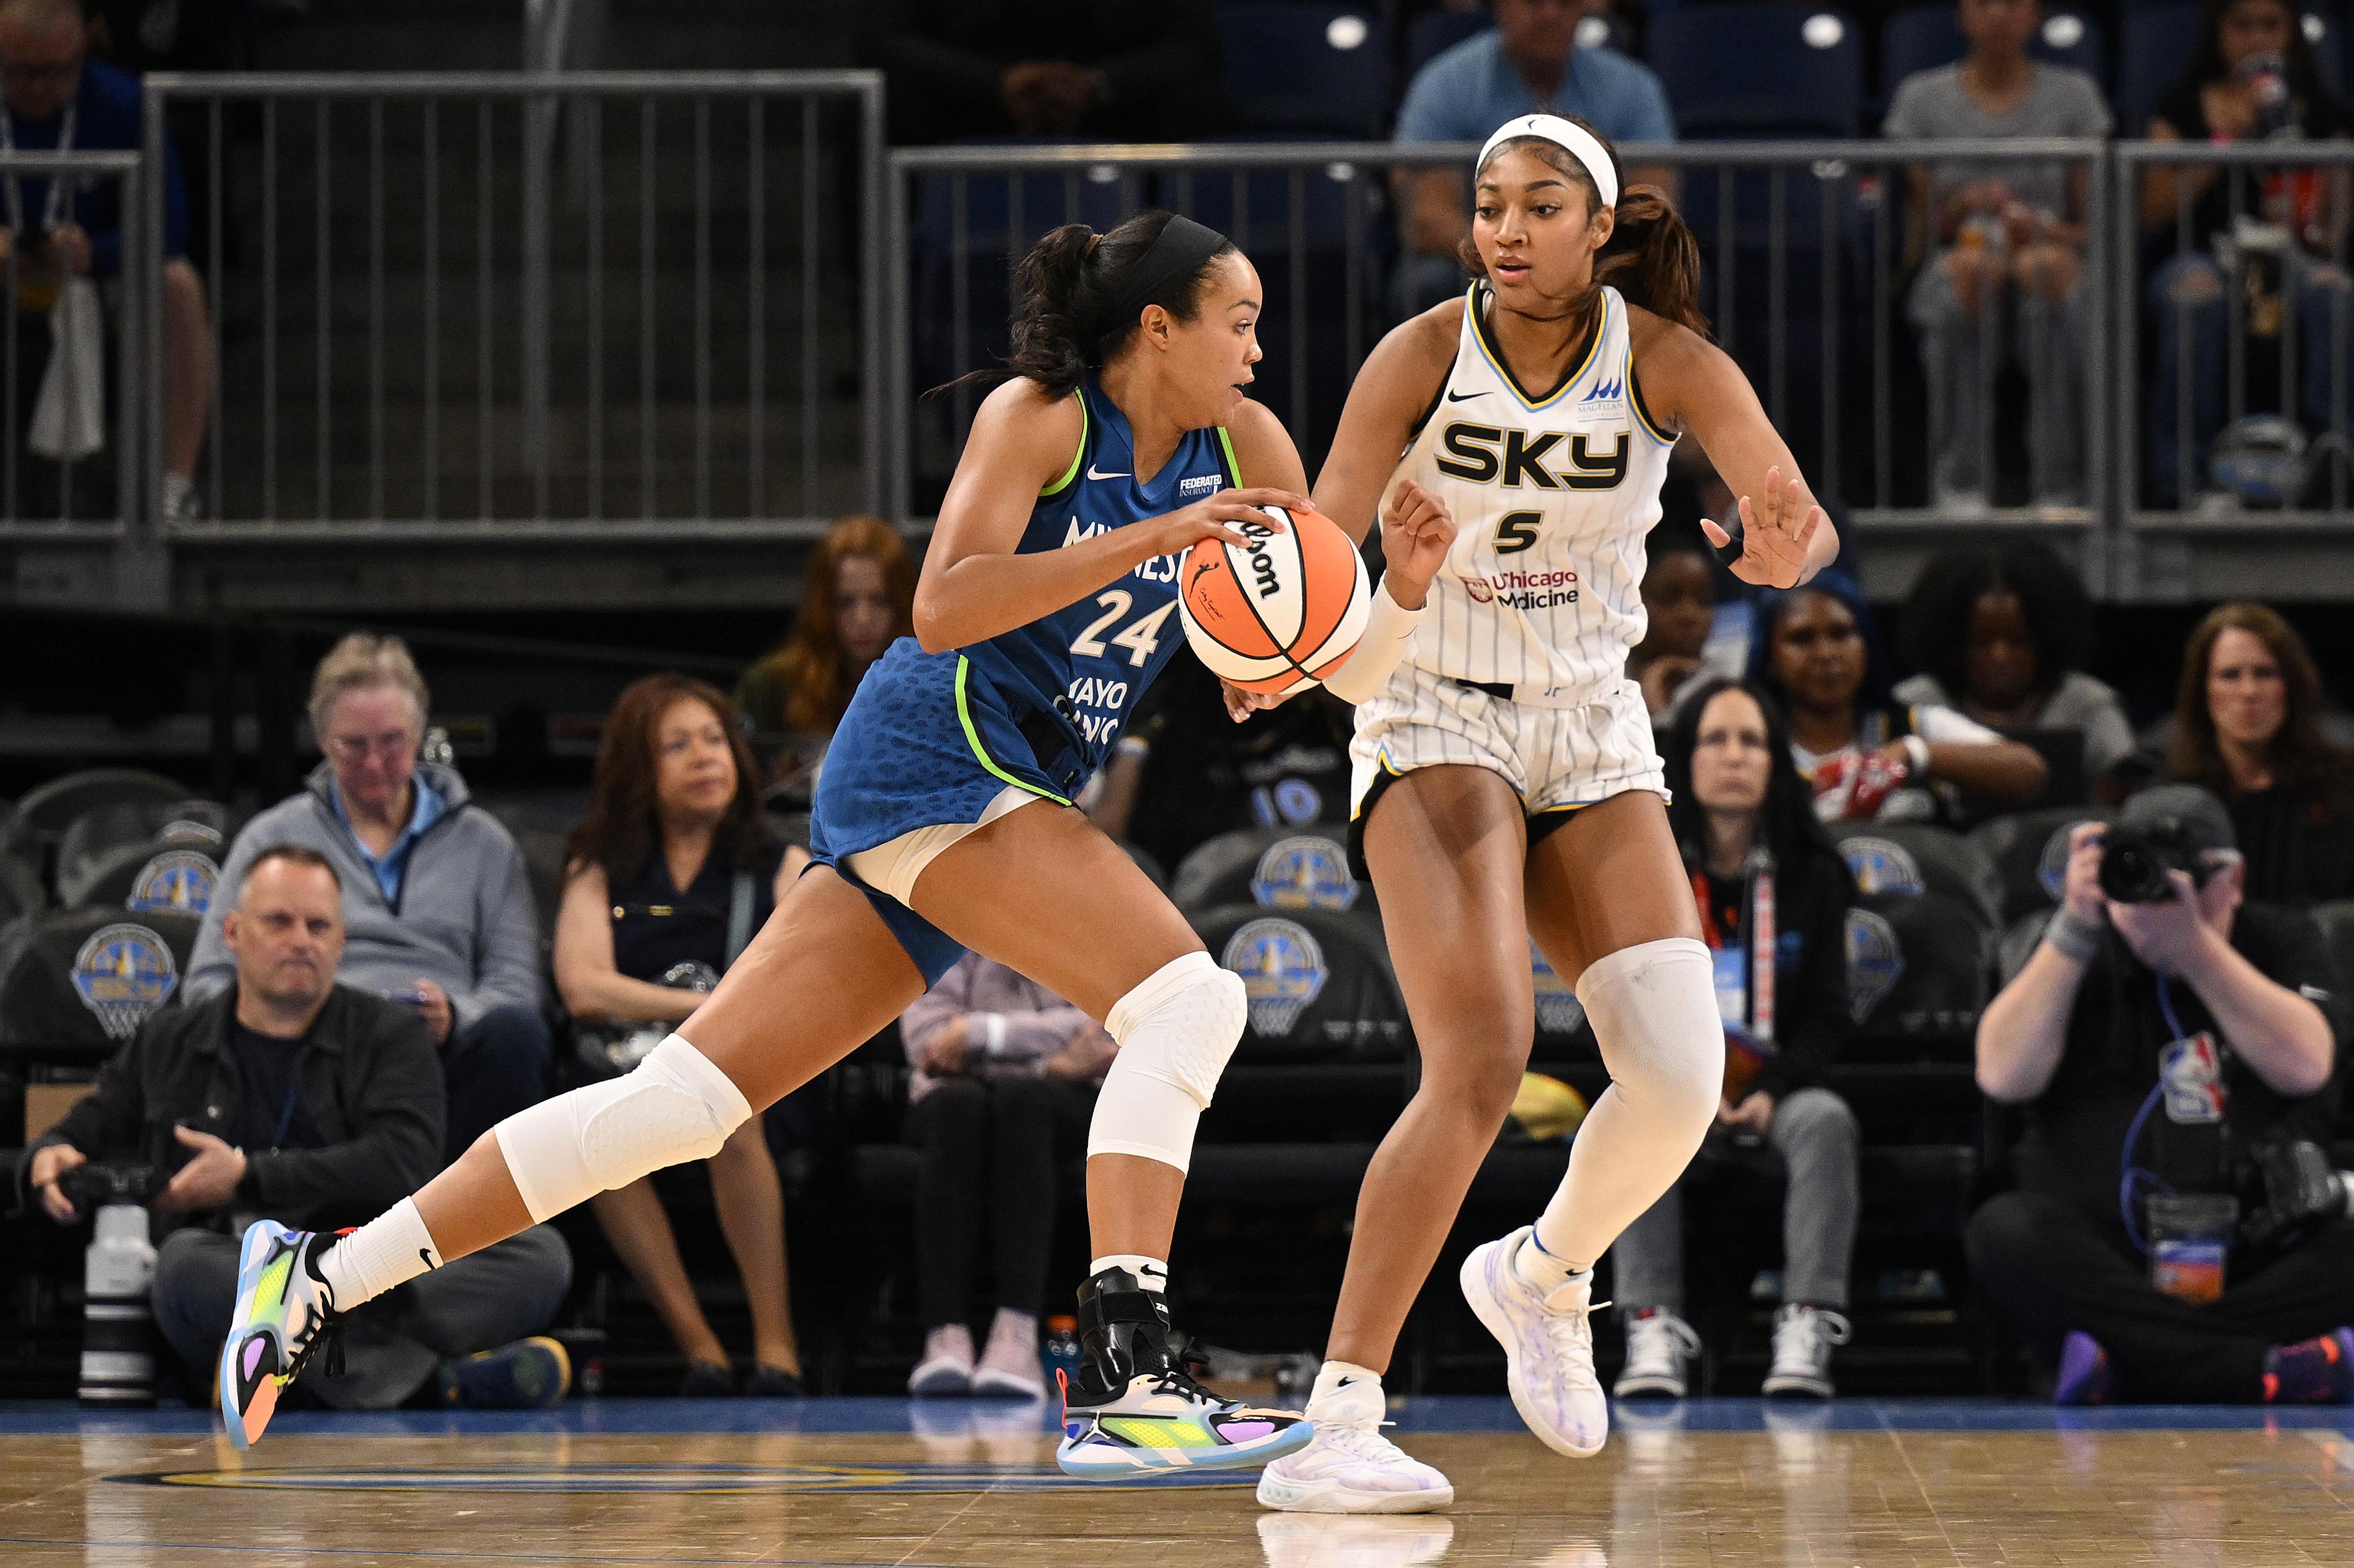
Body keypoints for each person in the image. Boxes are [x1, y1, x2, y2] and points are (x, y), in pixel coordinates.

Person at [216, 208, 1433, 1476]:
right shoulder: (1041, 420)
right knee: (1189, 1003)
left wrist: (1387, 591)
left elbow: (1313, 668)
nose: (1254, 349)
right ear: (1155, 326)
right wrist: (1149, 543)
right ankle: (1127, 1371)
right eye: (1234, 321)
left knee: (677, 1108)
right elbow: (943, 602)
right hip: (937, 751)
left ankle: (315, 1281)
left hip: (1013, 781)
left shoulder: (1251, 445)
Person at [1255, 112, 1839, 1515]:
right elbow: (1324, 590)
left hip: (1589, 718)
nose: (1507, 228)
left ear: (1597, 227)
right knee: (1483, 1052)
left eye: (1540, 205)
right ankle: (1339, 1411)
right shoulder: (1418, 355)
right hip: (1432, 701)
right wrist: (1352, 592)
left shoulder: (1664, 359)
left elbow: (1799, 516)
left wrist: (1781, 539)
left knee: (1680, 1076)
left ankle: (1544, 1271)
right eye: (1489, 205)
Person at [23, 846, 574, 1412]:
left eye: (319, 926)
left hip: (369, 1258)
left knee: (539, 1254)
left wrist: (248, 1175)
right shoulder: (170, 1040)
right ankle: (434, 1383)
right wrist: (50, 1155)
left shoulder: (391, 1035)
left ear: (340, 943)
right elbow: (80, 1131)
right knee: (182, 1268)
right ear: (233, 934)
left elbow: (405, 1161)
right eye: (279, 922)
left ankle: (283, 1372)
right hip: (242, 1265)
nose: (301, 940)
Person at [1968, 785, 2354, 1404]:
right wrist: (2074, 924)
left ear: (2232, 880)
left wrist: (2196, 950)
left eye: (2190, 883)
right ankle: (2262, 1371)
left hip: (2257, 1250)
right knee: (2004, 1232)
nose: (2160, 900)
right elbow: (2003, 1077)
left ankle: (2131, 1362)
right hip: (2106, 1260)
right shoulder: (2073, 943)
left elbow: (2306, 1066)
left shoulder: (2281, 938)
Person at [188, 634, 548, 1165]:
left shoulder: (485, 845)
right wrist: (303, 1014)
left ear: (421, 732)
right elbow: (206, 986)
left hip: (444, 1060)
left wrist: (457, 1017)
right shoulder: (271, 840)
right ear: (322, 739)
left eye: (393, 742)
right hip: (316, 1055)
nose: (376, 764)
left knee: (516, 1034)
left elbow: (517, 984)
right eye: (354, 746)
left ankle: (474, 1220)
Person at [551, 674, 805, 1398]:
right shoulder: (599, 866)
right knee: (598, 1131)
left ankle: (775, 1345)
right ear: (639, 769)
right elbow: (583, 985)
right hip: (633, 1070)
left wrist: (709, 1023)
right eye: (678, 745)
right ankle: (699, 1346)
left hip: (756, 1075)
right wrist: (699, 1005)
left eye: (715, 740)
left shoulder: (781, 865)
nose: (705, 757)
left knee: (732, 1110)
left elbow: (801, 986)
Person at [1609, 678, 1860, 1401]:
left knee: (1828, 1122)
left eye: (1751, 741)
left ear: (1776, 763)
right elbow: (1623, 1001)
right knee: (1633, 1120)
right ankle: (1650, 1326)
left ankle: (1807, 1323)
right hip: (1673, 1085)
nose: (1734, 756)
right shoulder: (1644, 869)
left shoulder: (1815, 874)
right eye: (1715, 740)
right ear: (1683, 759)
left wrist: (1772, 1089)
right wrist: (1690, 1092)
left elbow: (1827, 1013)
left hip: (1780, 1090)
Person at [1882, 0, 2109, 508]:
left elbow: (2091, 227)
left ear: (2035, 14)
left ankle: (2061, 487)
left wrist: (2041, 231)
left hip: (2050, 253)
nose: (1999, 15)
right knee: (1971, 273)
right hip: (1957, 257)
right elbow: (1920, 231)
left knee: (2045, 271)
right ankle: (1960, 486)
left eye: (2014, 3)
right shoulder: (1921, 98)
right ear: (1961, 14)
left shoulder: (2075, 96)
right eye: (1984, 3)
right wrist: (1960, 206)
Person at [0, 0, 213, 521]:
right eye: (21, 74)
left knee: (177, 285)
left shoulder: (122, 102)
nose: (38, 88)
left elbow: (171, 227)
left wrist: (96, 252)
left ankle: (174, 489)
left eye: (57, 73)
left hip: (96, 280)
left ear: (81, 55)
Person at [2140, 0, 2354, 505]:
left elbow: (2332, 236)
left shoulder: (2321, 112)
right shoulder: (2181, 106)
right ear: (2218, 33)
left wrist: (2308, 216)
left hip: (2293, 258)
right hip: (2201, 257)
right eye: (2242, 25)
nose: (2256, 37)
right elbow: (2152, 210)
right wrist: (2226, 141)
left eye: (2270, 25)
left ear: (2290, 34)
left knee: (2336, 295)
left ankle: (2337, 454)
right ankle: (2185, 481)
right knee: (2194, 301)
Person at [899, 952, 1118, 1399]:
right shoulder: (940, 919)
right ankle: (944, 1337)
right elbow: (928, 1043)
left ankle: (1015, 1337)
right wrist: (1046, 1062)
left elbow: (1103, 1029)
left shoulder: (1087, 916)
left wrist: (982, 1034)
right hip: (954, 1100)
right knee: (961, 1106)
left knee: (1021, 1103)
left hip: (1062, 1100)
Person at [1390, 0, 1676, 317]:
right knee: (1427, 281)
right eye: (1533, 2)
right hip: (1478, 258)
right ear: (1501, 6)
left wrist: (1567, 262)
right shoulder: (1445, 84)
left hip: (1597, 258)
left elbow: (1651, 207)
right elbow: (1426, 215)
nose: (1550, 14)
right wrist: (1512, 255)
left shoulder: (1633, 88)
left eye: (1563, 4)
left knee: (1667, 274)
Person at [1750, 569, 2048, 825]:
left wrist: (1915, 755)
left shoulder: (1914, 727)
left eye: (1842, 634)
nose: (1827, 654)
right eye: (1802, 639)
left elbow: (2030, 772)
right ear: (1770, 659)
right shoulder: (1750, 742)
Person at [1893, 540, 2136, 796]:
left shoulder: (2087, 706)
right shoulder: (1916, 704)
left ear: (2047, 639)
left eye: (2017, 640)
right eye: (1982, 641)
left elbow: (2127, 789)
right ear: (1952, 641)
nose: (2000, 656)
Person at [2158, 602, 2354, 907]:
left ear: (2291, 686)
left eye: (2265, 674)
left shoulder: (2340, 787)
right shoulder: (2171, 796)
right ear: (2204, 691)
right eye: (2230, 675)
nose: (2249, 692)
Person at [1088, 654, 1356, 875]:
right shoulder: (1171, 744)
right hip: (1213, 910)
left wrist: (1307, 673)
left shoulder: (1333, 720)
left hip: (1342, 892)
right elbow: (1109, 846)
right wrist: (1137, 740)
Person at [869, 0, 1225, 146]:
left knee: (1197, 104)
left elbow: (1196, 45)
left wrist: (1097, 84)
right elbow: (887, 40)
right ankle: (884, 285)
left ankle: (1189, 284)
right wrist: (997, 85)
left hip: (1114, 109)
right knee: (888, 111)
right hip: (973, 106)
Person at [734, 515, 917, 743]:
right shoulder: (771, 687)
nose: (863, 619)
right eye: (845, 602)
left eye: (881, 601)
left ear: (904, 603)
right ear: (822, 607)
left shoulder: (934, 685)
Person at [1630, 540, 1717, 720]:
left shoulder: (1724, 690)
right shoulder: (1600, 681)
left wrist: (1660, 713)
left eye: (1703, 600)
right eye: (1668, 599)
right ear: (1631, 602)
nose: (1689, 615)